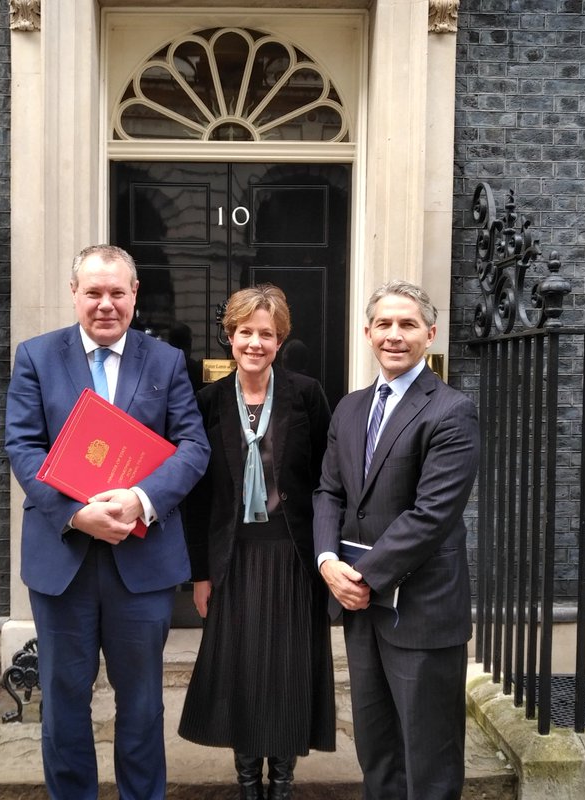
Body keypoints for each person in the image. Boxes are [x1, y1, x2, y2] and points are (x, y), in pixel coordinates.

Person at [4, 244, 211, 800]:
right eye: (93, 292)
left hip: (142, 565)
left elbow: (193, 447)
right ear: (74, 293)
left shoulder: (165, 361)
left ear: (134, 295)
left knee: (141, 705)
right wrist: (77, 514)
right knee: (63, 704)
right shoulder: (36, 356)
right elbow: (23, 446)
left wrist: (141, 500)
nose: (105, 304)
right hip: (63, 561)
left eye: (117, 292)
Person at [313, 279, 480, 800]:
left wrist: (361, 577)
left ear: (430, 334)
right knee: (378, 752)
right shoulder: (349, 407)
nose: (394, 334)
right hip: (362, 611)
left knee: (429, 761)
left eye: (407, 324)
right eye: (383, 324)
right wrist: (327, 562)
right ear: (367, 333)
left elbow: (432, 514)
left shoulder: (451, 410)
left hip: (422, 611)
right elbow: (329, 492)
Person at [179, 285, 336, 800]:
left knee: (287, 671)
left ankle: (282, 783)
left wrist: (328, 556)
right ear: (230, 336)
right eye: (245, 332)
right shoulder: (208, 401)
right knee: (241, 671)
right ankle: (248, 783)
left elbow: (327, 481)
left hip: (293, 557)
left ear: (280, 340)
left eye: (266, 334)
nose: (255, 343)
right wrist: (201, 574)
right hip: (234, 558)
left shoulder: (306, 394)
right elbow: (197, 497)